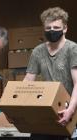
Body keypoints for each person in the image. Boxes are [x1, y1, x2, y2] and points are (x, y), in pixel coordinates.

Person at [23, 7, 77, 140]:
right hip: (48, 109)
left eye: (56, 27)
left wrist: (70, 110)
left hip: (71, 110)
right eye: (48, 28)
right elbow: (28, 81)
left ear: (65, 29)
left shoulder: (72, 49)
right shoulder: (38, 52)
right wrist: (16, 108)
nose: (52, 31)